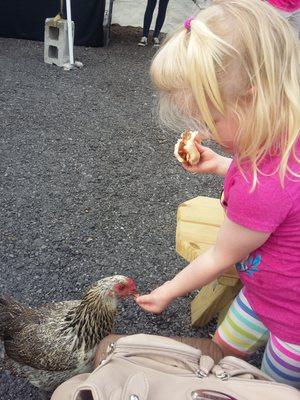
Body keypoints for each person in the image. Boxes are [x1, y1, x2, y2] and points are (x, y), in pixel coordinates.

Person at [135, 0, 300, 388]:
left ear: (251, 97)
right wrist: (222, 164)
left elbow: (221, 255)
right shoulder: (281, 131)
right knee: (221, 351)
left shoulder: (262, 188)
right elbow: (282, 193)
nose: (204, 130)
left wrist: (166, 292)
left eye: (210, 118)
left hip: (293, 320)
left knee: (268, 389)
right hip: (263, 291)